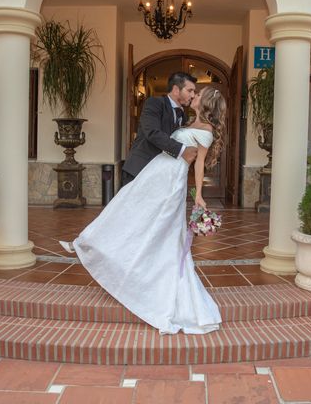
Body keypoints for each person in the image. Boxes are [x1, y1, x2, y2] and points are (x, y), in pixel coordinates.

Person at [61, 86, 227, 335]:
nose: (195, 96)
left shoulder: (206, 131)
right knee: (125, 208)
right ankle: (89, 241)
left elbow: (199, 164)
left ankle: (140, 274)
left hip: (170, 182)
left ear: (206, 104)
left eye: (199, 95)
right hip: (154, 174)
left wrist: (199, 195)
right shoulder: (188, 121)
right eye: (194, 92)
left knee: (155, 228)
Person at [121, 72, 199, 186]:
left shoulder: (184, 115)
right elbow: (152, 133)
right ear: (176, 90)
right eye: (189, 90)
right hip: (140, 168)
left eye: (194, 92)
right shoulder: (155, 103)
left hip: (162, 173)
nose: (192, 95)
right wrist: (183, 150)